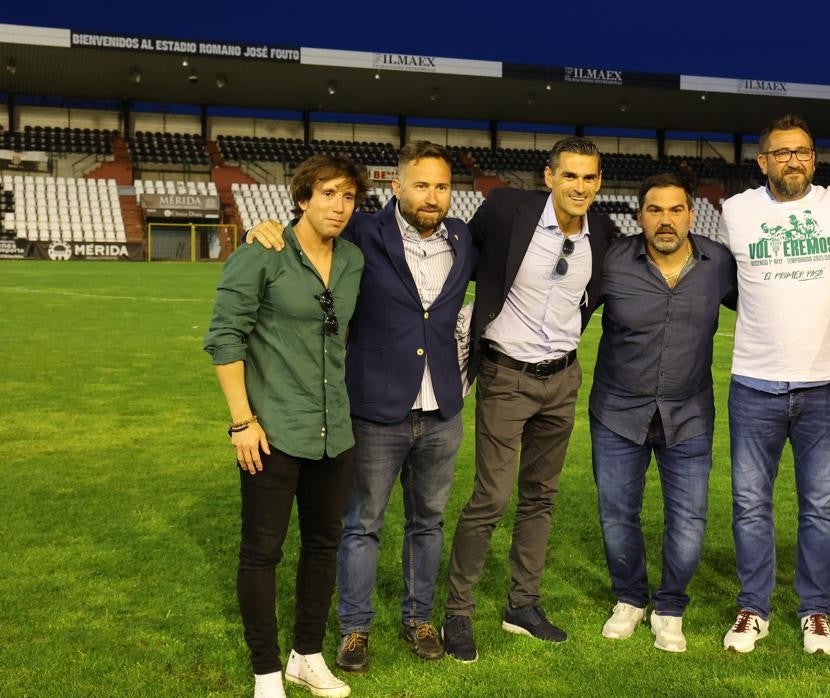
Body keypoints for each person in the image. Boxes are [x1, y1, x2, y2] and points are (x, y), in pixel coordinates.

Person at [248, 142, 477, 673]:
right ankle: (355, 629)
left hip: (443, 408)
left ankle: (419, 618)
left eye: (441, 186)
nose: (431, 196)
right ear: (396, 187)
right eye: (420, 185)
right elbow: (304, 236)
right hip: (375, 407)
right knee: (363, 523)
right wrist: (263, 229)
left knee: (428, 521)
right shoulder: (361, 230)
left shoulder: (465, 238)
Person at [441, 137, 619, 662]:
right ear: (549, 177)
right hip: (505, 376)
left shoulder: (603, 234)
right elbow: (454, 246)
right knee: (491, 497)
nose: (580, 187)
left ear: (599, 182)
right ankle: (457, 612)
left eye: (589, 178)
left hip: (562, 380)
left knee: (541, 496)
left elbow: (592, 300)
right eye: (570, 176)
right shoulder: (505, 209)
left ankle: (523, 604)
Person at [204, 154, 368, 698]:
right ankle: (266, 671)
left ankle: (307, 655)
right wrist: (241, 421)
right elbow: (224, 339)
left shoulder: (352, 261)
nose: (339, 206)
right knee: (262, 551)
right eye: (328, 194)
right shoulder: (262, 253)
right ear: (303, 198)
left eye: (348, 197)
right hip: (270, 430)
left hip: (335, 433)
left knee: (324, 545)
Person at [715, 114, 830, 654]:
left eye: (802, 151)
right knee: (750, 503)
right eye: (781, 153)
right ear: (763, 162)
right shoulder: (735, 212)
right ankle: (753, 608)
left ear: (814, 157)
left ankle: (815, 611)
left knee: (821, 506)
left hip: (825, 385)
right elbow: (722, 283)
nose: (793, 160)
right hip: (754, 383)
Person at [591, 173, 736, 653]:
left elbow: (767, 310)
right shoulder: (612, 260)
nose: (666, 220)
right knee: (617, 515)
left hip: (689, 414)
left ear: (692, 215)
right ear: (640, 216)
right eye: (655, 210)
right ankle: (630, 598)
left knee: (689, 519)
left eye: (676, 210)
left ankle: (670, 607)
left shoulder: (720, 264)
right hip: (617, 412)